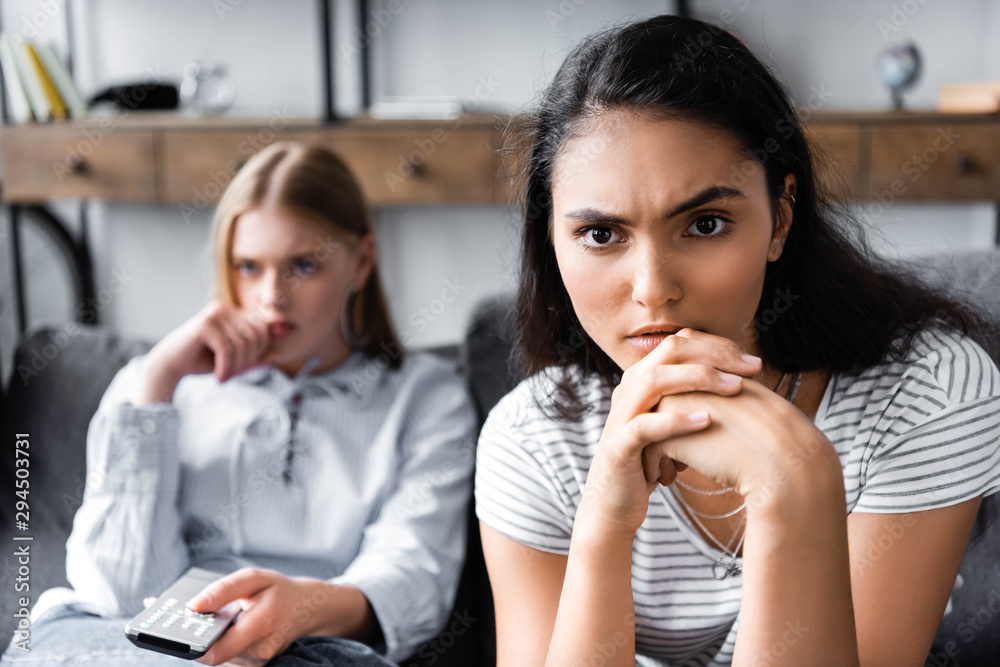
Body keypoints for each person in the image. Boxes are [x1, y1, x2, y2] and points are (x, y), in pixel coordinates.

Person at [475, 14, 1000, 667]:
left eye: (705, 223)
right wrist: (603, 525)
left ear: (779, 217)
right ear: (551, 240)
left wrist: (790, 485)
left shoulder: (932, 391)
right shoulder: (531, 439)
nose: (653, 289)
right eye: (602, 235)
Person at [1, 142, 477, 667]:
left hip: (308, 646)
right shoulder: (153, 384)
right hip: (120, 640)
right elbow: (117, 592)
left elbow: (412, 577)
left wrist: (300, 608)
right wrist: (158, 385)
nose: (272, 295)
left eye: (303, 265)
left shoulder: (426, 397)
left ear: (360, 262)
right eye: (249, 266)